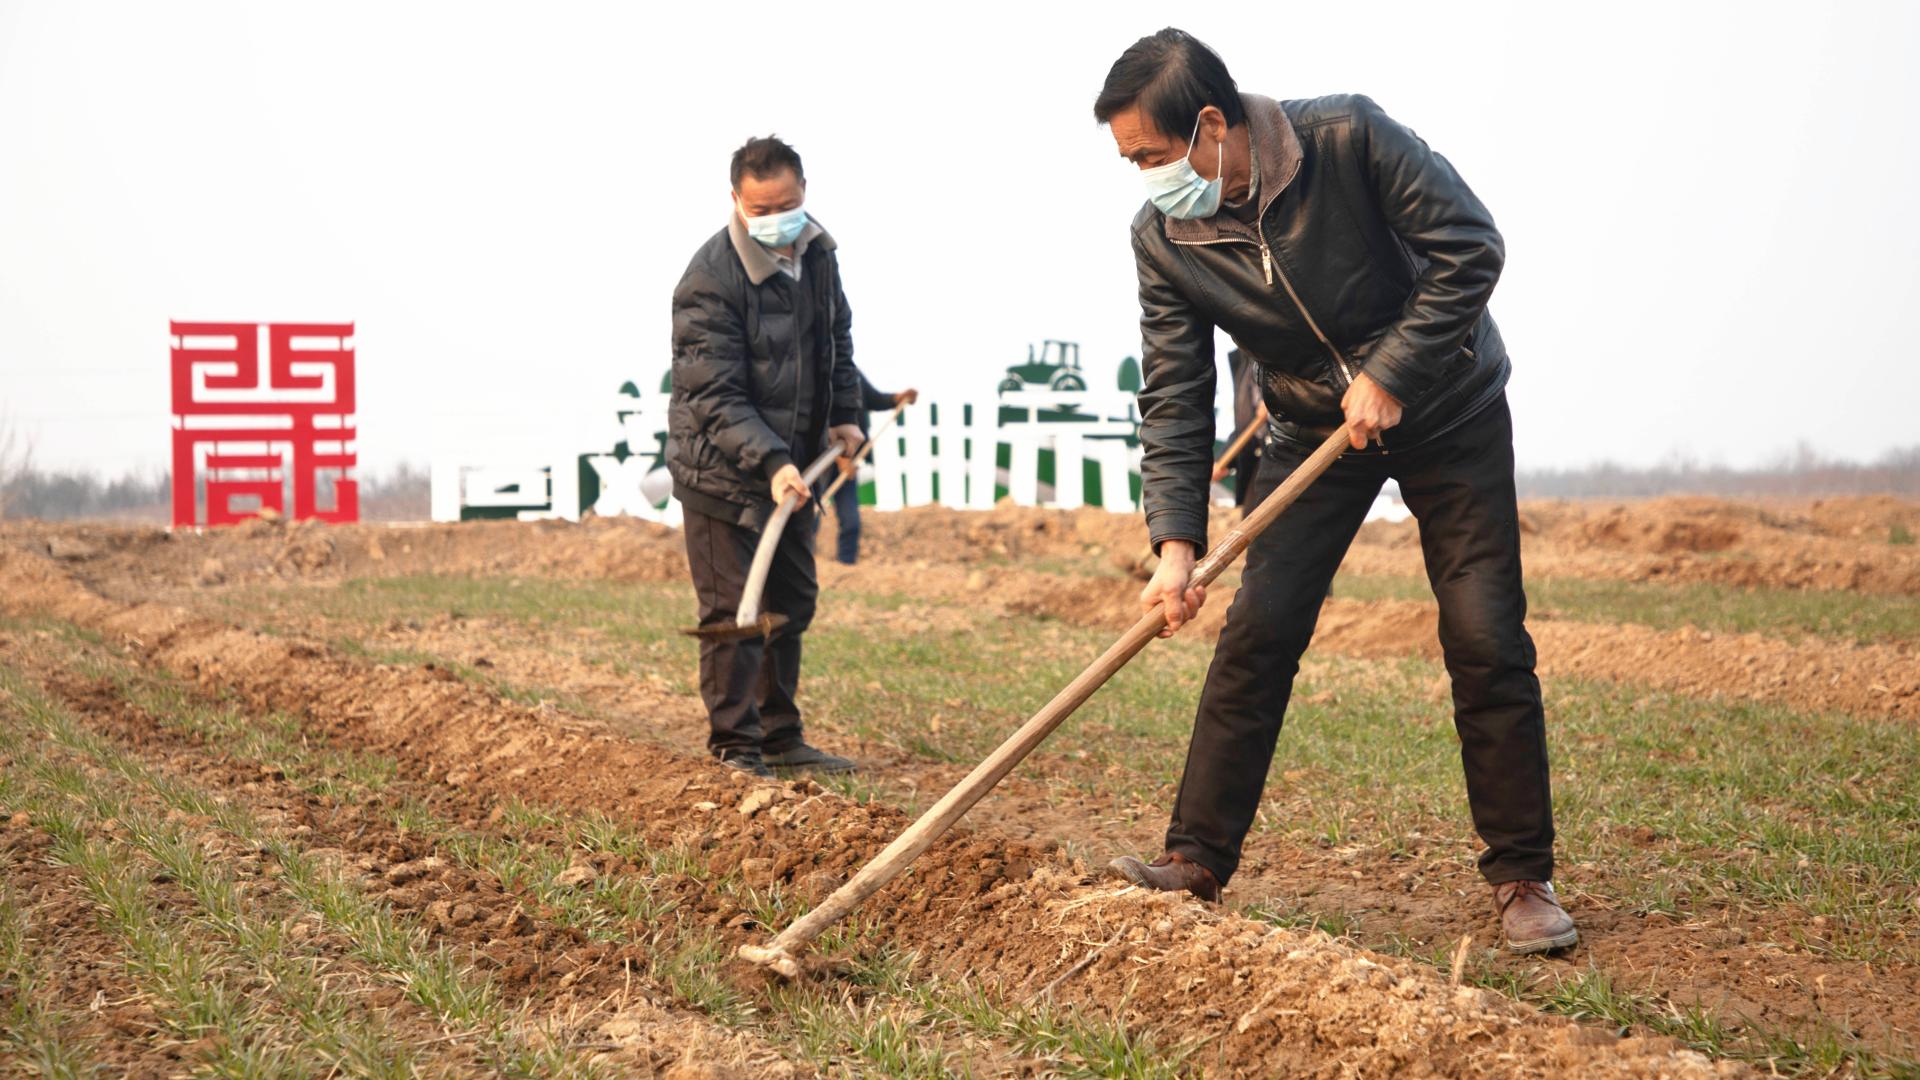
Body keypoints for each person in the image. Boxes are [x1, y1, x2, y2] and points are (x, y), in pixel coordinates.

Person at [1094, 29, 1575, 955]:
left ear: (1208, 126)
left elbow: (1470, 248)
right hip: (1314, 431)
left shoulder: (1348, 139)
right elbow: (1176, 392)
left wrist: (1395, 368)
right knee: (1259, 628)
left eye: (1151, 157)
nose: (1146, 178)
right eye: (1130, 164)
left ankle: (1522, 875)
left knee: (1482, 632)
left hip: (1449, 409)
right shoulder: (1165, 235)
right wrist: (1176, 548)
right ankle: (1196, 858)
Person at [667, 134, 862, 779]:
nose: (777, 218)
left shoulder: (819, 255)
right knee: (736, 613)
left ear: (803, 192)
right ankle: (735, 747)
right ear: (737, 201)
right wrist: (772, 460)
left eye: (786, 203)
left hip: (794, 470)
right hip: (725, 474)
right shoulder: (709, 279)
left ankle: (779, 735)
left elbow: (835, 339)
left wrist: (844, 417)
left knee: (790, 601)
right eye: (762, 208)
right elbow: (713, 394)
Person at [826, 374, 917, 565]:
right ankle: (806, 567)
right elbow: (816, 419)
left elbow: (873, 398)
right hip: (820, 461)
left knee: (851, 521)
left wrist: (896, 398)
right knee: (808, 520)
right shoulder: (817, 371)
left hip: (849, 461)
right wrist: (838, 458)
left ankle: (846, 566)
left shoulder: (850, 373)